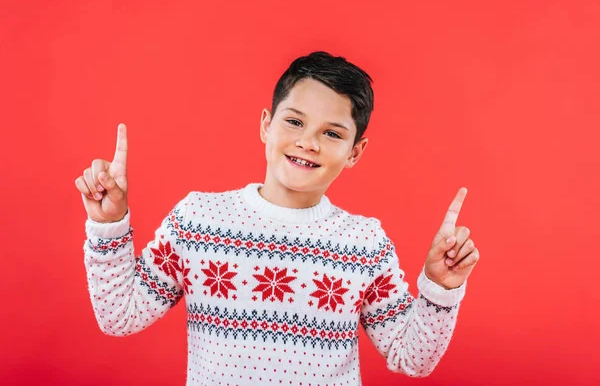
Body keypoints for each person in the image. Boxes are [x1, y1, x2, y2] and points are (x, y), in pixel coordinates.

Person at [75, 51, 480, 385]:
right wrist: (109, 223)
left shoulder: (364, 243)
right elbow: (119, 315)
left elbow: (412, 358)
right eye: (295, 121)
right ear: (266, 125)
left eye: (333, 133)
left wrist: (441, 288)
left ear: (356, 152)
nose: (308, 142)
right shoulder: (198, 220)